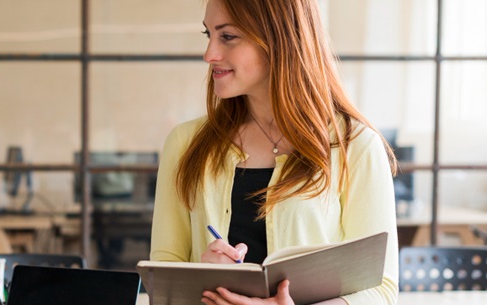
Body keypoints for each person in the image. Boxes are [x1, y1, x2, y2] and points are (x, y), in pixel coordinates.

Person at [150, 0, 399, 304]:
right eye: (209, 35)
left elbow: (382, 289)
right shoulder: (184, 144)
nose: (209, 54)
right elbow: (161, 282)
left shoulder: (356, 145)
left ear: (278, 39)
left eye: (227, 37)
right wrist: (202, 278)